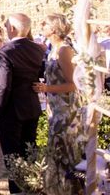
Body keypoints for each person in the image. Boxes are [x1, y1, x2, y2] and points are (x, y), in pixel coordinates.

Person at [33, 14, 85, 195]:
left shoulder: (64, 50)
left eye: (45, 23)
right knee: (55, 152)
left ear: (54, 28)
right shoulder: (53, 49)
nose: (41, 25)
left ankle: (70, 190)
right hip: (56, 109)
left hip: (67, 112)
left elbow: (73, 84)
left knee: (64, 152)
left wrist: (46, 87)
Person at [0, 14, 45, 194]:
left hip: (11, 109)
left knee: (12, 155)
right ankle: (31, 188)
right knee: (29, 151)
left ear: (12, 29)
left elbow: (3, 85)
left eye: (7, 25)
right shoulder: (37, 49)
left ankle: (16, 191)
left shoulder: (6, 51)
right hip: (31, 104)